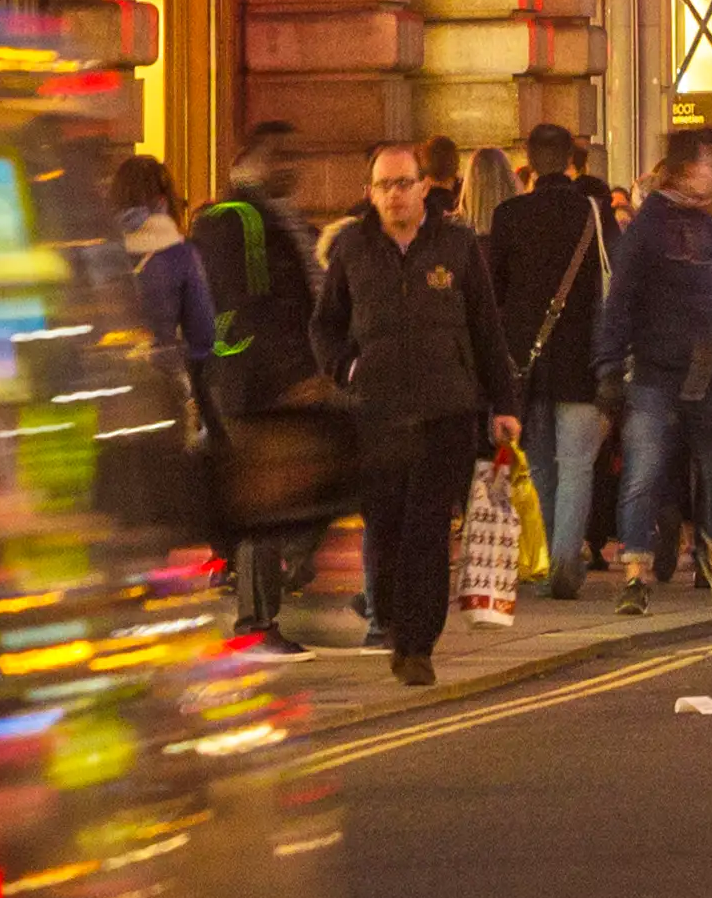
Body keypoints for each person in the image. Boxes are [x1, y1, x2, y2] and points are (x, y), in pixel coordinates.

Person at [310, 140, 524, 685]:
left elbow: (486, 329)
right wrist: (347, 370)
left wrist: (504, 404)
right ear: (370, 193)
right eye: (384, 185)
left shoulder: (456, 245)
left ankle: (417, 645)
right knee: (384, 532)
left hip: (445, 411)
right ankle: (393, 625)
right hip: (375, 414)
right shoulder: (353, 249)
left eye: (404, 183)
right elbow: (325, 326)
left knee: (427, 531)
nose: (395, 195)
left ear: (424, 186)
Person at [604, 127, 712, 615]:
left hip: (711, 373)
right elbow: (620, 299)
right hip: (657, 373)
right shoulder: (650, 226)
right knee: (643, 477)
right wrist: (608, 366)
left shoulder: (710, 227)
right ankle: (636, 574)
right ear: (689, 169)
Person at [187, 123, 327, 649]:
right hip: (256, 381)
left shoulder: (272, 221)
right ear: (247, 159)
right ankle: (256, 624)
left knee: (298, 495)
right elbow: (253, 310)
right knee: (267, 505)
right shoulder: (240, 222)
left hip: (257, 376)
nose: (289, 166)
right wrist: (295, 374)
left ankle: (269, 604)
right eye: (278, 156)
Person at [486, 125, 619, 598]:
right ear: (571, 160)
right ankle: (566, 561)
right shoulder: (594, 214)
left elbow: (492, 296)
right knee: (578, 465)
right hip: (582, 363)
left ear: (529, 158)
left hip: (526, 368)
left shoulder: (507, 216)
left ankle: (540, 565)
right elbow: (612, 285)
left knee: (539, 468)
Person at [114, 151, 216, 450]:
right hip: (160, 387)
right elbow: (203, 335)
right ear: (162, 199)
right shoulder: (178, 253)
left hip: (106, 391)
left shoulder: (95, 246)